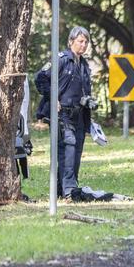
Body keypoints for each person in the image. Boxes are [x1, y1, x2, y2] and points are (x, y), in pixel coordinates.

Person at [35, 26, 95, 199]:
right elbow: (40, 77)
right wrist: (53, 98)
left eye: (86, 42)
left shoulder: (83, 64)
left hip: (80, 115)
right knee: (67, 149)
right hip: (63, 114)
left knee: (76, 152)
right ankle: (69, 191)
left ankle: (63, 188)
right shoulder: (61, 59)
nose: (83, 45)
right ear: (71, 42)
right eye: (80, 41)